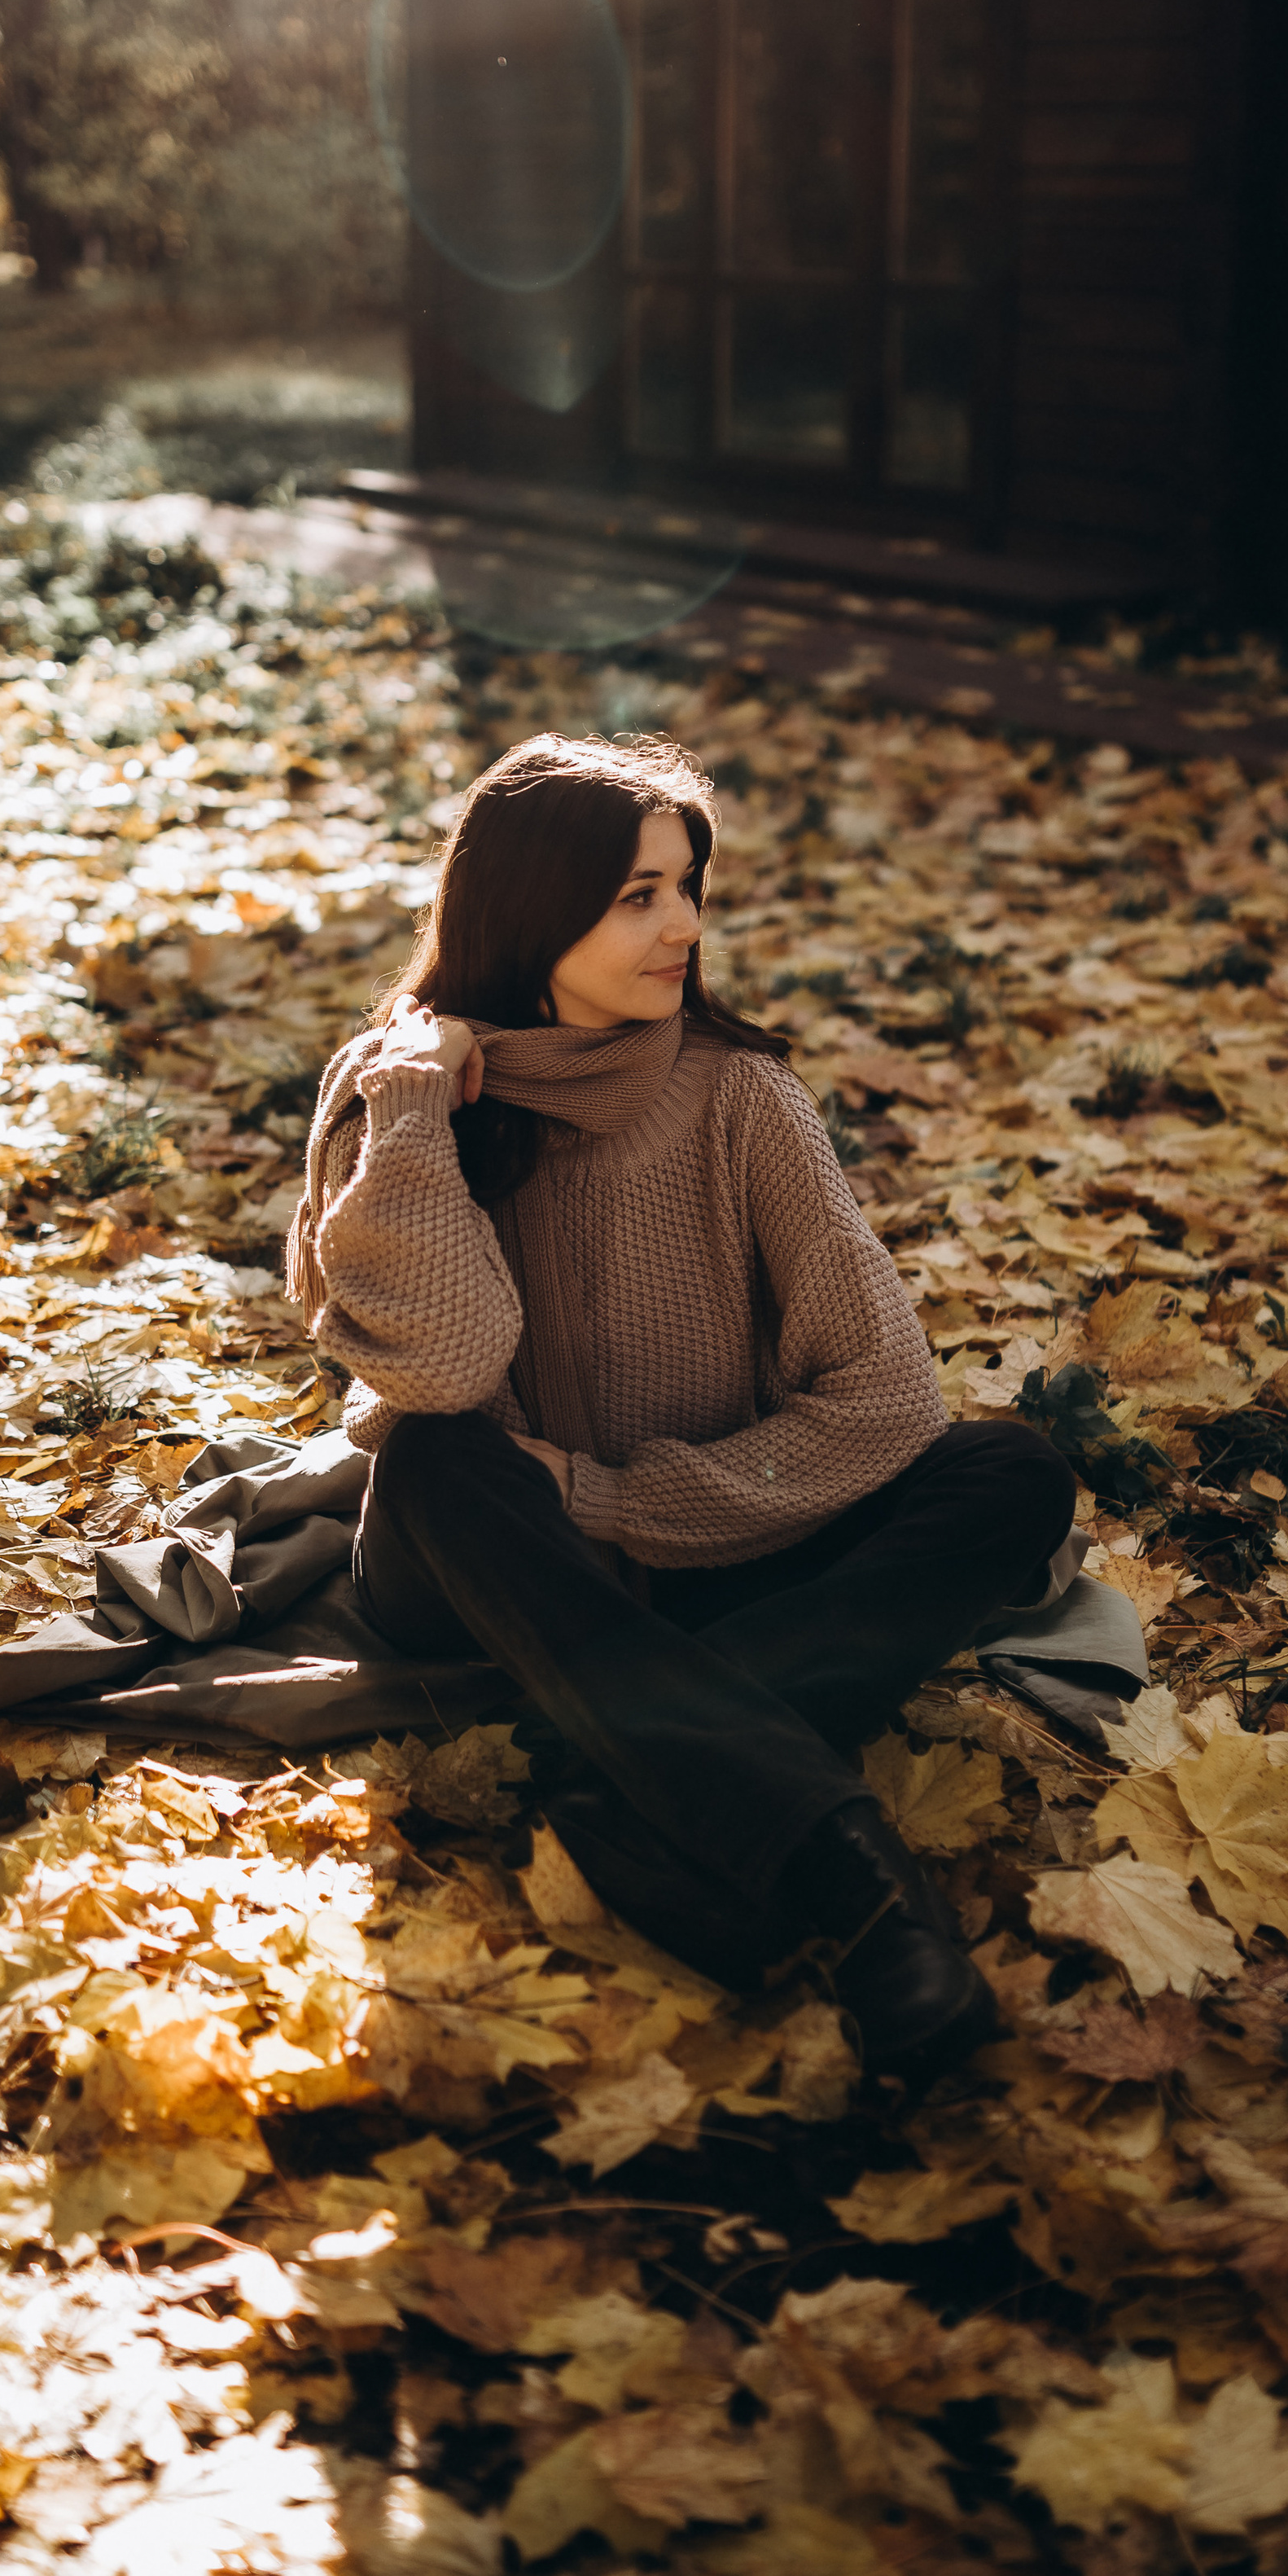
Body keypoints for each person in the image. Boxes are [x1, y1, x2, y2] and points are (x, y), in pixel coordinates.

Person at [287, 733, 1075, 2096]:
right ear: (531, 907)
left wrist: (605, 1497)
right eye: (637, 896)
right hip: (487, 1566)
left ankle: (619, 1779)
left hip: (707, 1548)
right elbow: (449, 1365)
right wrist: (415, 1108)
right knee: (435, 1454)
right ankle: (864, 1890)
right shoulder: (402, 1097)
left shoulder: (739, 1095)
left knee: (1009, 1471)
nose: (685, 926)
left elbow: (887, 1395)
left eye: (687, 886)